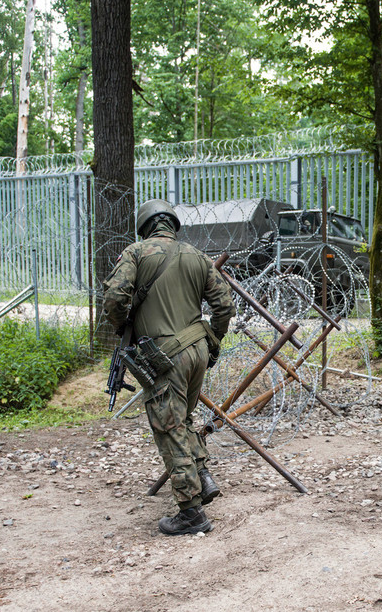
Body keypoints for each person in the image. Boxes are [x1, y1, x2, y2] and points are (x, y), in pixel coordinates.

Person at [103, 199, 235, 535]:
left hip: (164, 357)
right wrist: (213, 341)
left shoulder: (136, 252)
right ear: (173, 225)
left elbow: (115, 298)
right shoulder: (196, 255)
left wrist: (123, 326)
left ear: (145, 226)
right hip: (197, 350)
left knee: (169, 426)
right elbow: (224, 306)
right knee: (183, 418)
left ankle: (191, 513)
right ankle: (203, 478)